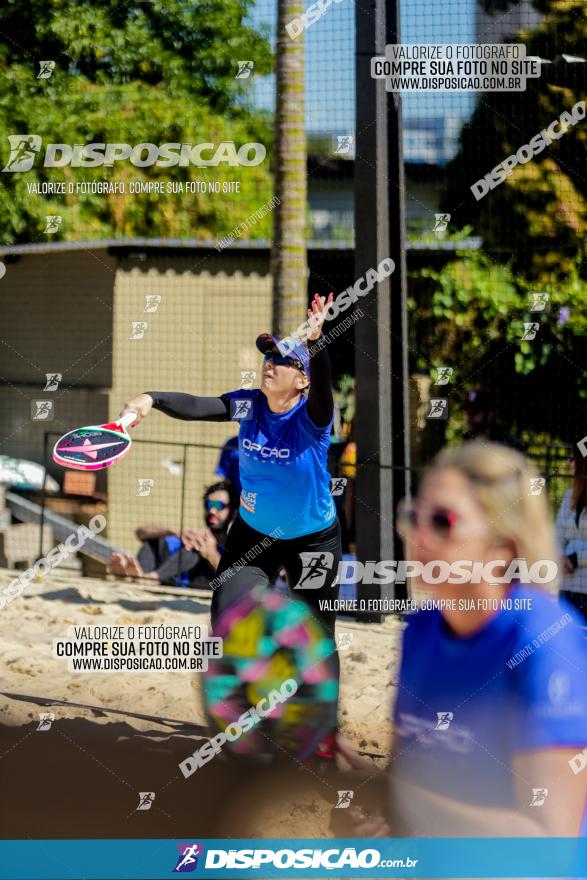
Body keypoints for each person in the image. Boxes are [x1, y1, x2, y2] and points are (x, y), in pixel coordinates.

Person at [337, 442, 587, 837]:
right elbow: (418, 787)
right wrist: (376, 800)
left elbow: (549, 846)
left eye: (442, 521)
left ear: (502, 549)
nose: (419, 534)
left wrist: (405, 802)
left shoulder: (544, 642)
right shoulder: (420, 630)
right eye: (413, 515)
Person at [117, 293, 341, 636]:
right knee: (226, 623)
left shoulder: (311, 419)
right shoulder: (248, 406)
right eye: (267, 355)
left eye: (281, 359)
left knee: (316, 638)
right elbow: (197, 407)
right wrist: (152, 398)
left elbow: (324, 389)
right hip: (252, 534)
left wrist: (317, 341)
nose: (269, 361)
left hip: (312, 539)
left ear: (301, 380)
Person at [107, 481, 236, 588]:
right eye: (208, 505)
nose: (212, 510)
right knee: (152, 542)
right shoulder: (193, 536)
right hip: (165, 583)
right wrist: (175, 532)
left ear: (233, 511)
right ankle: (138, 578)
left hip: (200, 593)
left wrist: (210, 554)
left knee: (194, 549)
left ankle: (145, 579)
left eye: (219, 506)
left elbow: (234, 581)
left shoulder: (236, 545)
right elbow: (140, 532)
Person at [556, 439, 587, 623]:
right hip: (568, 585)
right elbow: (557, 535)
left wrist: (574, 558)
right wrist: (559, 555)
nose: (570, 463)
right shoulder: (569, 496)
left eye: (573, 458)